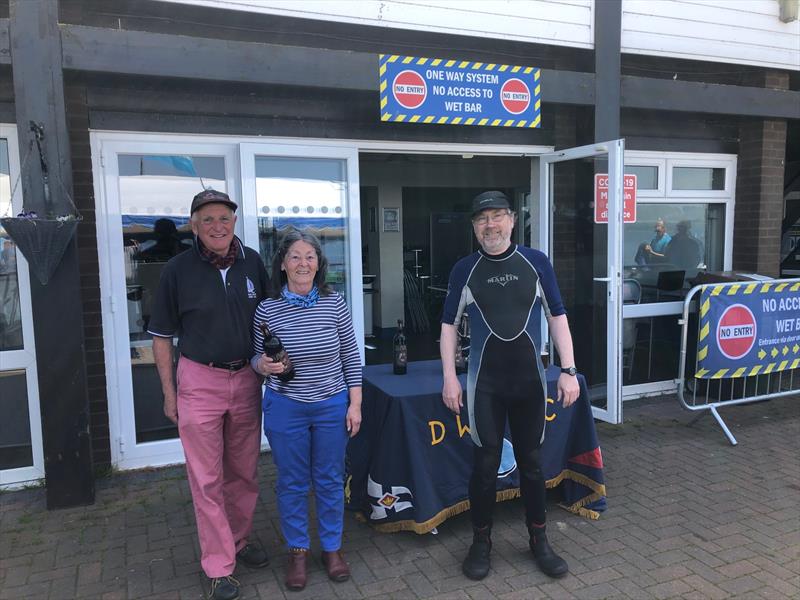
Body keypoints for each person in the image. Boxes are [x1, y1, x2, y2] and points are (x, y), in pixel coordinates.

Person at [440, 190, 579, 581]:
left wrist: (568, 370)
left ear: (512, 221)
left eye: (497, 216)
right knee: (484, 466)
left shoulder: (536, 263)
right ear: (474, 227)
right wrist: (450, 377)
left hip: (529, 384)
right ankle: (480, 542)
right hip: (484, 385)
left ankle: (539, 540)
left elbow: (558, 316)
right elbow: (448, 326)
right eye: (482, 218)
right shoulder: (464, 269)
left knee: (532, 464)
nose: (490, 225)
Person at [148, 189, 270, 600]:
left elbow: (271, 319)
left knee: (245, 472)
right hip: (199, 381)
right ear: (194, 226)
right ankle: (219, 565)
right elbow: (162, 338)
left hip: (248, 380)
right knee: (207, 478)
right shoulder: (177, 270)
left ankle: (237, 540)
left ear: (234, 221)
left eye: (225, 218)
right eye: (208, 220)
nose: (218, 226)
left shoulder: (253, 262)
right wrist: (170, 393)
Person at [250, 227, 362, 592]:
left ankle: (331, 549)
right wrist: (262, 366)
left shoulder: (335, 304)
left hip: (331, 404)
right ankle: (298, 551)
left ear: (319, 264)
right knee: (292, 482)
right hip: (286, 406)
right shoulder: (267, 310)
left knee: (329, 479)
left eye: (309, 257)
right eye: (295, 257)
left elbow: (350, 356)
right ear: (283, 264)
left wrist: (355, 403)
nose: (302, 263)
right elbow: (256, 359)